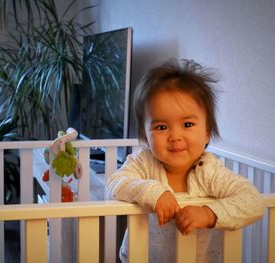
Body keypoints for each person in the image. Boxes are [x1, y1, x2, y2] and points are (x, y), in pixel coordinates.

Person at [106, 59, 265, 262]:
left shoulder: (210, 171)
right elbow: (114, 184)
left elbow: (253, 201)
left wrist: (209, 214)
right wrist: (152, 191)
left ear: (207, 133)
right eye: (162, 127)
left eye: (187, 124)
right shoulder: (143, 163)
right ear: (145, 136)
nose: (175, 136)